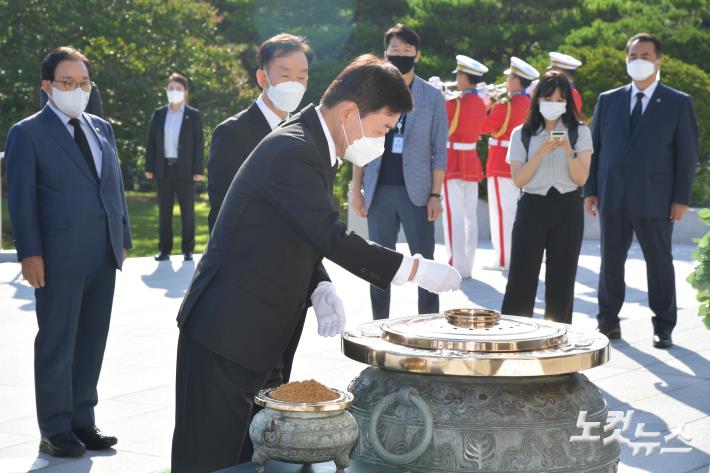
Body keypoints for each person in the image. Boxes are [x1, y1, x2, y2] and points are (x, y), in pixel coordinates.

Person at [170, 55, 461, 473]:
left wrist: (317, 283)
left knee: (244, 458)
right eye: (382, 128)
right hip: (226, 334)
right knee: (211, 458)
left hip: (255, 334)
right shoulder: (295, 150)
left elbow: (295, 231)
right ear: (349, 113)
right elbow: (331, 235)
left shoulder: (314, 146)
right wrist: (414, 269)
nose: (381, 140)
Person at [6, 46, 132, 457]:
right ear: (47, 86)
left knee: (92, 340)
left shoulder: (101, 128)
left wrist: (123, 235)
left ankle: (83, 420)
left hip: (102, 252)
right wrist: (30, 252)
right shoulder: (27, 133)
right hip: (58, 256)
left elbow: (111, 186)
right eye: (67, 82)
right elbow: (21, 198)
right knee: (58, 342)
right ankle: (55, 428)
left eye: (83, 83)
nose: (76, 90)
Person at [584, 33, 698, 348]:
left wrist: (680, 199)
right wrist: (590, 190)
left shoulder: (677, 102)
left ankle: (664, 326)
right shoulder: (609, 100)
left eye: (645, 55)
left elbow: (687, 156)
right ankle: (608, 322)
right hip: (613, 195)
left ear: (658, 60)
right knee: (610, 263)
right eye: (633, 55)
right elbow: (596, 148)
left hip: (656, 199)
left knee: (659, 263)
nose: (639, 61)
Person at [350, 23, 448, 319]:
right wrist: (357, 190)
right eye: (395, 50)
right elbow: (358, 143)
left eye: (407, 50)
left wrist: (435, 194)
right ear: (385, 54)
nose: (401, 55)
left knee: (425, 263)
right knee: (377, 264)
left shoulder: (432, 96)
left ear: (416, 54)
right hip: (379, 190)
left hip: (417, 193)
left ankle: (428, 325)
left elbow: (439, 151)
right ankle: (379, 326)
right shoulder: (370, 93)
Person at [500, 71, 593, 323]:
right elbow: (519, 179)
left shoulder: (579, 132)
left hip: (567, 207)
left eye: (559, 99)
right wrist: (540, 153)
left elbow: (581, 179)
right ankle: (514, 335)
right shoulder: (522, 133)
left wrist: (568, 152)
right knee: (521, 277)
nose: (554, 103)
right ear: (538, 99)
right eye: (548, 97)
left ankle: (558, 336)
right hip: (532, 206)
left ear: (567, 103)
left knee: (562, 279)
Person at [207, 33, 314, 232]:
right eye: (285, 75)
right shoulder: (231, 133)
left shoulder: (307, 132)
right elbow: (222, 213)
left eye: (301, 77)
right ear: (262, 78)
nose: (294, 84)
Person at [481, 56, 539, 271]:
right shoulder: (531, 103)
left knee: (502, 216)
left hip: (499, 163)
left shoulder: (505, 104)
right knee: (518, 213)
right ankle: (521, 256)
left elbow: (483, 126)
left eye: (510, 77)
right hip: (523, 163)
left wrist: (485, 103)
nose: (507, 81)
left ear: (516, 80)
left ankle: (504, 260)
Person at [144, 73, 204, 261]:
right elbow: (152, 142)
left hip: (185, 170)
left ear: (185, 91)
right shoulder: (159, 114)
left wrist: (198, 169)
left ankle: (188, 249)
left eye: (178, 88)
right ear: (166, 91)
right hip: (164, 169)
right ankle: (165, 249)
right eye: (171, 88)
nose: (174, 92)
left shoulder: (193, 115)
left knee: (188, 212)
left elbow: (199, 144)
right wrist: (149, 166)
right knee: (164, 212)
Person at [442, 54, 489, 278]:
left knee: (454, 215)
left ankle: (455, 264)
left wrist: (439, 93)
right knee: (470, 215)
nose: (456, 79)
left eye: (459, 75)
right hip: (471, 160)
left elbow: (439, 120)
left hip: (452, 161)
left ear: (464, 76)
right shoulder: (481, 102)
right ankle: (467, 265)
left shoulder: (454, 103)